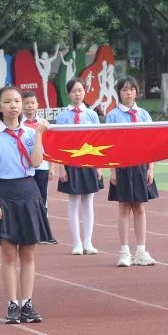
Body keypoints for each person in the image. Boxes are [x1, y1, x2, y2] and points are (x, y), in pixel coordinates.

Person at [0, 85, 53, 324]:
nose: (14, 106)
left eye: (17, 101)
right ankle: (12, 303)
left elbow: (36, 161)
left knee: (28, 254)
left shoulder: (31, 134)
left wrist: (39, 134)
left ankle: (27, 302)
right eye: (8, 101)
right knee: (9, 253)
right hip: (5, 193)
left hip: (28, 191)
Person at [106, 77, 158, 267]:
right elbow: (110, 145)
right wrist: (112, 170)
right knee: (123, 208)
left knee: (140, 207)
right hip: (121, 166)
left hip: (141, 166)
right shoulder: (113, 116)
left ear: (137, 92)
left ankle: (141, 251)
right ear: (118, 93)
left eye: (132, 89)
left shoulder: (144, 114)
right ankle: (124, 251)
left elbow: (151, 143)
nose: (128, 92)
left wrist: (150, 167)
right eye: (124, 89)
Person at [52, 78, 103, 255]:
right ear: (68, 94)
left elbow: (98, 140)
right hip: (70, 161)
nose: (77, 94)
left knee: (88, 201)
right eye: (74, 91)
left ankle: (88, 242)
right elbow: (58, 144)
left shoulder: (91, 115)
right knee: (73, 201)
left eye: (80, 90)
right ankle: (76, 242)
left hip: (89, 160)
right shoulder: (62, 116)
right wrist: (61, 167)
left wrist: (98, 166)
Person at [21, 90, 57, 244]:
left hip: (42, 166)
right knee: (27, 199)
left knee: (42, 199)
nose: (29, 106)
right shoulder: (18, 124)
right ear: (22, 105)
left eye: (32, 103)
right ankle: (28, 231)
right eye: (26, 103)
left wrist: (52, 167)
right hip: (25, 168)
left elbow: (50, 147)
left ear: (37, 105)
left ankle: (43, 232)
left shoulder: (43, 124)